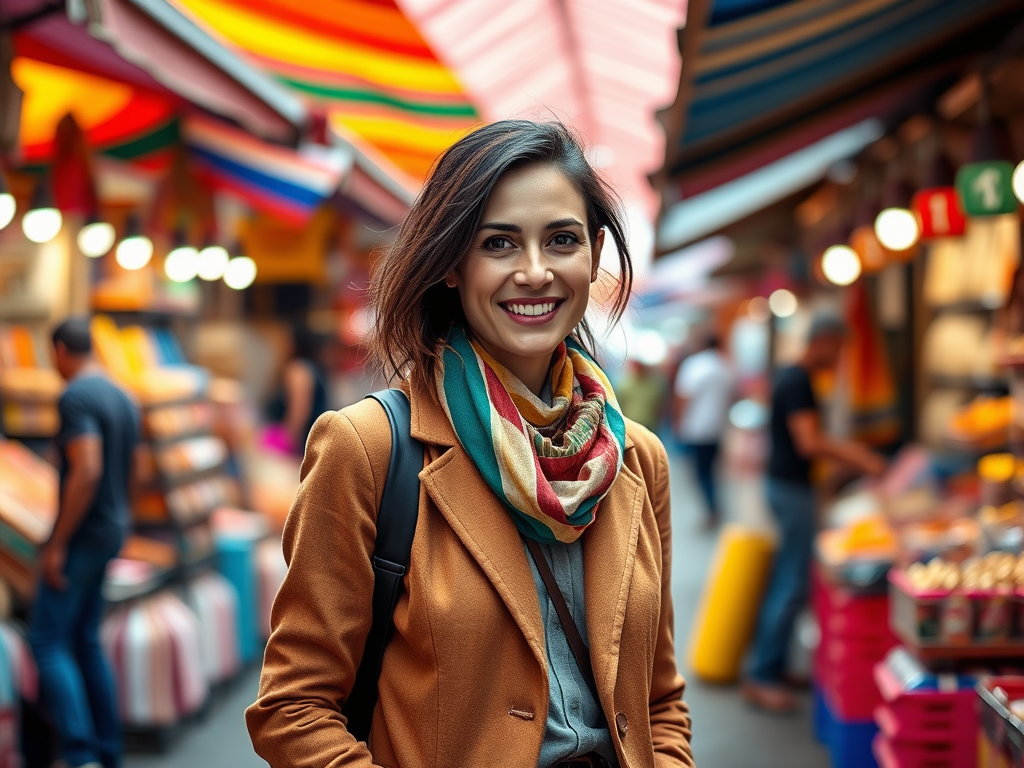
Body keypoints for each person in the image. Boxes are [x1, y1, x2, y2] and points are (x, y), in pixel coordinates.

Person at [247, 121, 694, 768]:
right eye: (499, 244)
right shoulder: (369, 449)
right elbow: (294, 706)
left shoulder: (637, 460)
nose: (535, 272)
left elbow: (658, 699)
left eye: (562, 240)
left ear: (594, 255)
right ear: (454, 264)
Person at [743, 315, 885, 713]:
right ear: (823, 341)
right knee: (791, 581)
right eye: (838, 350)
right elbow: (809, 442)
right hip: (791, 490)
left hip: (787, 487)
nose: (839, 359)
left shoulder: (791, 376)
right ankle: (762, 675)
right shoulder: (798, 380)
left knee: (789, 577)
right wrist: (859, 457)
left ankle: (774, 665)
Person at [30, 318, 142, 768]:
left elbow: (87, 468)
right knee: (86, 640)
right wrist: (124, 521)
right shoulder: (123, 394)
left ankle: (79, 754)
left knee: (47, 640)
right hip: (110, 531)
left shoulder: (75, 395)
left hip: (83, 535)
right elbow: (135, 467)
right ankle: (106, 751)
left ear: (59, 350)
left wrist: (57, 542)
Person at [673, 335, 735, 527]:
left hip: (696, 428)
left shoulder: (694, 365)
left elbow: (683, 397)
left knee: (701, 473)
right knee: (711, 471)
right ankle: (714, 507)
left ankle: (711, 509)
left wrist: (678, 422)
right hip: (718, 428)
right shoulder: (726, 367)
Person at [265, 324, 330, 455]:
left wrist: (287, 441)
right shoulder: (314, 367)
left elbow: (300, 411)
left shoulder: (298, 370)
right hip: (317, 441)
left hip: (303, 445)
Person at [615, 357, 668, 433]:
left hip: (649, 425)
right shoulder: (624, 385)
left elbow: (660, 407)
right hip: (630, 425)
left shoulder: (656, 386)